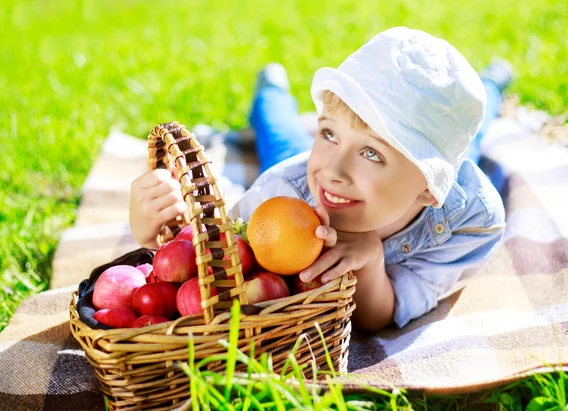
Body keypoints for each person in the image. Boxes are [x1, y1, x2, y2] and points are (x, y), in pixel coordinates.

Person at [130, 27, 512, 332]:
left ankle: (492, 82)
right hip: (298, 187)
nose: (332, 170)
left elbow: (379, 318)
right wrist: (157, 236)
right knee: (276, 130)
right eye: (328, 133)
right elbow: (209, 258)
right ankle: (270, 88)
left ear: (430, 185)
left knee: (469, 141)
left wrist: (371, 263)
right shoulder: (279, 196)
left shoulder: (470, 222)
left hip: (443, 189)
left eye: (371, 153)